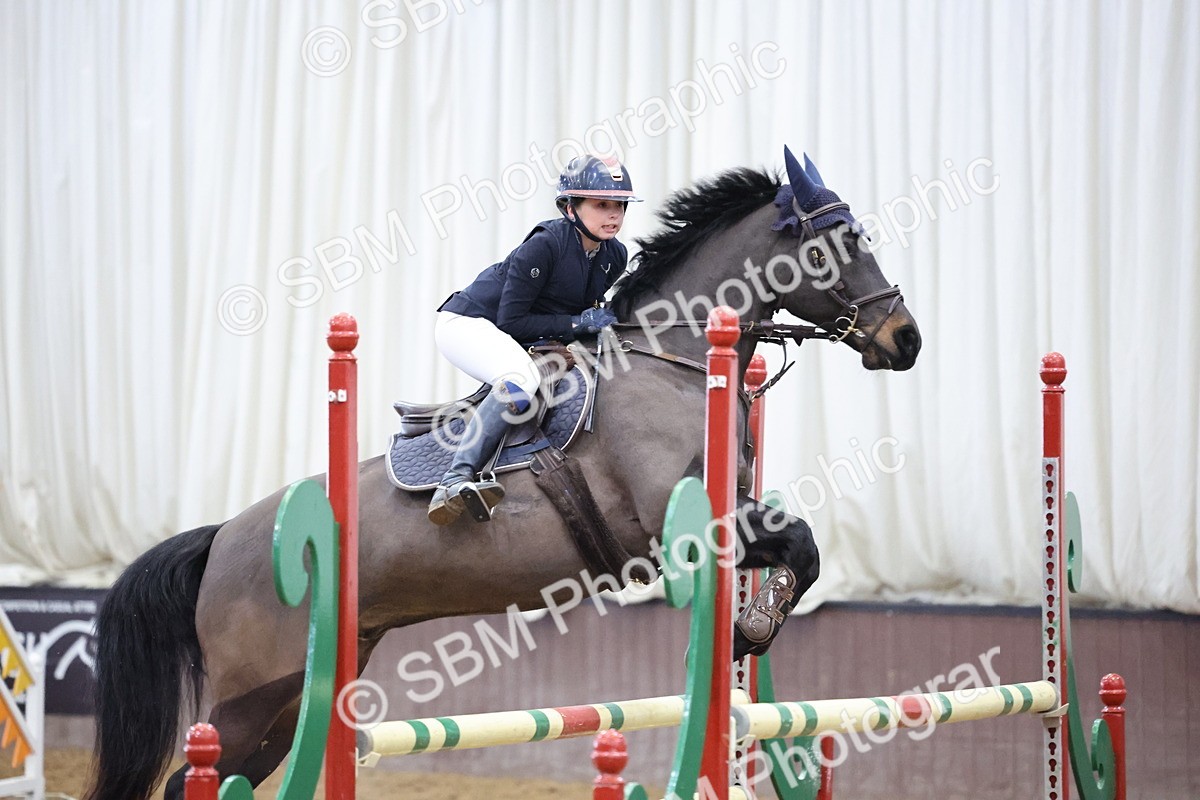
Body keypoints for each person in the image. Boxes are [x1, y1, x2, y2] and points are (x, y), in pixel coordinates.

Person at [427, 154, 642, 526]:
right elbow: (512, 321)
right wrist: (577, 323)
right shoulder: (545, 244)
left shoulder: (614, 255)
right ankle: (454, 479)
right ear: (569, 208)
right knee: (520, 379)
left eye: (620, 205)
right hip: (467, 324)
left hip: (512, 330)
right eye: (601, 204)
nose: (614, 215)